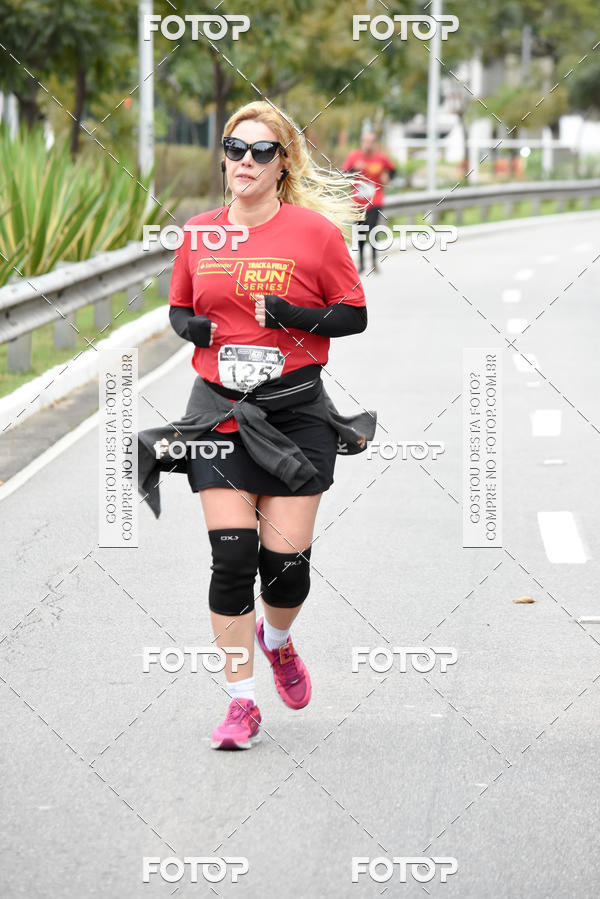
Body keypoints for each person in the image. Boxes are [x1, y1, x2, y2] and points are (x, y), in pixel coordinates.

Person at [146, 100, 375, 751]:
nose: (245, 160)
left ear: (282, 165)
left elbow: (353, 314)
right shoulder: (198, 233)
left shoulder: (314, 235)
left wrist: (296, 315)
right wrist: (192, 329)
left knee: (285, 568)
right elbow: (179, 310)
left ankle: (277, 640)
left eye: (261, 151)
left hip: (296, 412)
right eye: (235, 147)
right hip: (217, 411)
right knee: (232, 558)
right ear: (224, 156)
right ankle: (241, 702)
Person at [342, 131, 396, 274]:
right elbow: (345, 174)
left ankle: (373, 261)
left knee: (372, 230)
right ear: (361, 143)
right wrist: (354, 170)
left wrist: (387, 177)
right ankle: (360, 263)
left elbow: (393, 170)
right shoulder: (354, 157)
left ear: (375, 144)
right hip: (358, 202)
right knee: (359, 232)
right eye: (365, 141)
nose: (368, 145)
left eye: (370, 142)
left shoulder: (381, 158)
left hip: (375, 200)